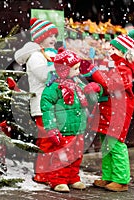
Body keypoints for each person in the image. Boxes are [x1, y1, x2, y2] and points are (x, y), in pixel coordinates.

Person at [82, 29, 134, 192]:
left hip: (118, 112)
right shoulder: (115, 65)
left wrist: (96, 74)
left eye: (114, 50)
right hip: (109, 109)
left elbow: (111, 85)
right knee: (107, 144)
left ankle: (121, 179)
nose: (111, 52)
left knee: (115, 143)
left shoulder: (124, 70)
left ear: (123, 53)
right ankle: (108, 175)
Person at [40, 48, 100, 193]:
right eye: (75, 69)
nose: (78, 72)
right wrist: (51, 127)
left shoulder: (78, 84)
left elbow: (90, 102)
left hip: (78, 127)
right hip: (63, 128)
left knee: (76, 155)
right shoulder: (54, 87)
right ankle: (58, 180)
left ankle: (73, 177)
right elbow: (46, 108)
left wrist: (93, 91)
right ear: (64, 70)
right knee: (61, 156)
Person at [14, 18, 59, 184]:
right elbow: (44, 76)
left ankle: (51, 170)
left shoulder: (46, 54)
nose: (54, 39)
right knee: (46, 140)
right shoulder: (35, 56)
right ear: (40, 37)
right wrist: (59, 65)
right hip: (41, 105)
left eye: (55, 36)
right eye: (50, 36)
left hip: (52, 105)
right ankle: (42, 172)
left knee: (53, 139)